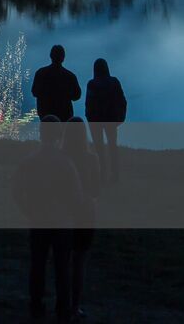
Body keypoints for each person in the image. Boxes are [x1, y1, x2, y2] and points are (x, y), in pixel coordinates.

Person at [13, 116, 84, 322]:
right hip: (62, 222)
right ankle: (63, 308)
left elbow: (17, 190)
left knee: (38, 265)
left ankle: (36, 305)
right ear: (59, 135)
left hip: (38, 220)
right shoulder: (66, 162)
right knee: (62, 267)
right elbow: (77, 195)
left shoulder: (30, 160)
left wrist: (27, 210)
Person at [63, 118, 101, 319]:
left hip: (63, 212)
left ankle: (61, 302)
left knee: (63, 260)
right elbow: (96, 188)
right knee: (79, 262)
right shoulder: (91, 159)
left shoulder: (62, 158)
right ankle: (74, 305)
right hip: (85, 212)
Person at [85, 58, 127, 184]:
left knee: (99, 149)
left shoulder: (91, 84)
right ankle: (115, 176)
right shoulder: (114, 82)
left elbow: (88, 104)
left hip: (96, 121)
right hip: (111, 120)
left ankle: (102, 175)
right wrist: (120, 118)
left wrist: (89, 118)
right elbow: (122, 101)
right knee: (112, 147)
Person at [31, 45, 82, 122]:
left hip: (45, 115)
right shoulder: (70, 76)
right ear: (63, 57)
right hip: (65, 115)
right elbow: (77, 96)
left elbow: (34, 92)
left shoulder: (40, 73)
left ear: (51, 56)